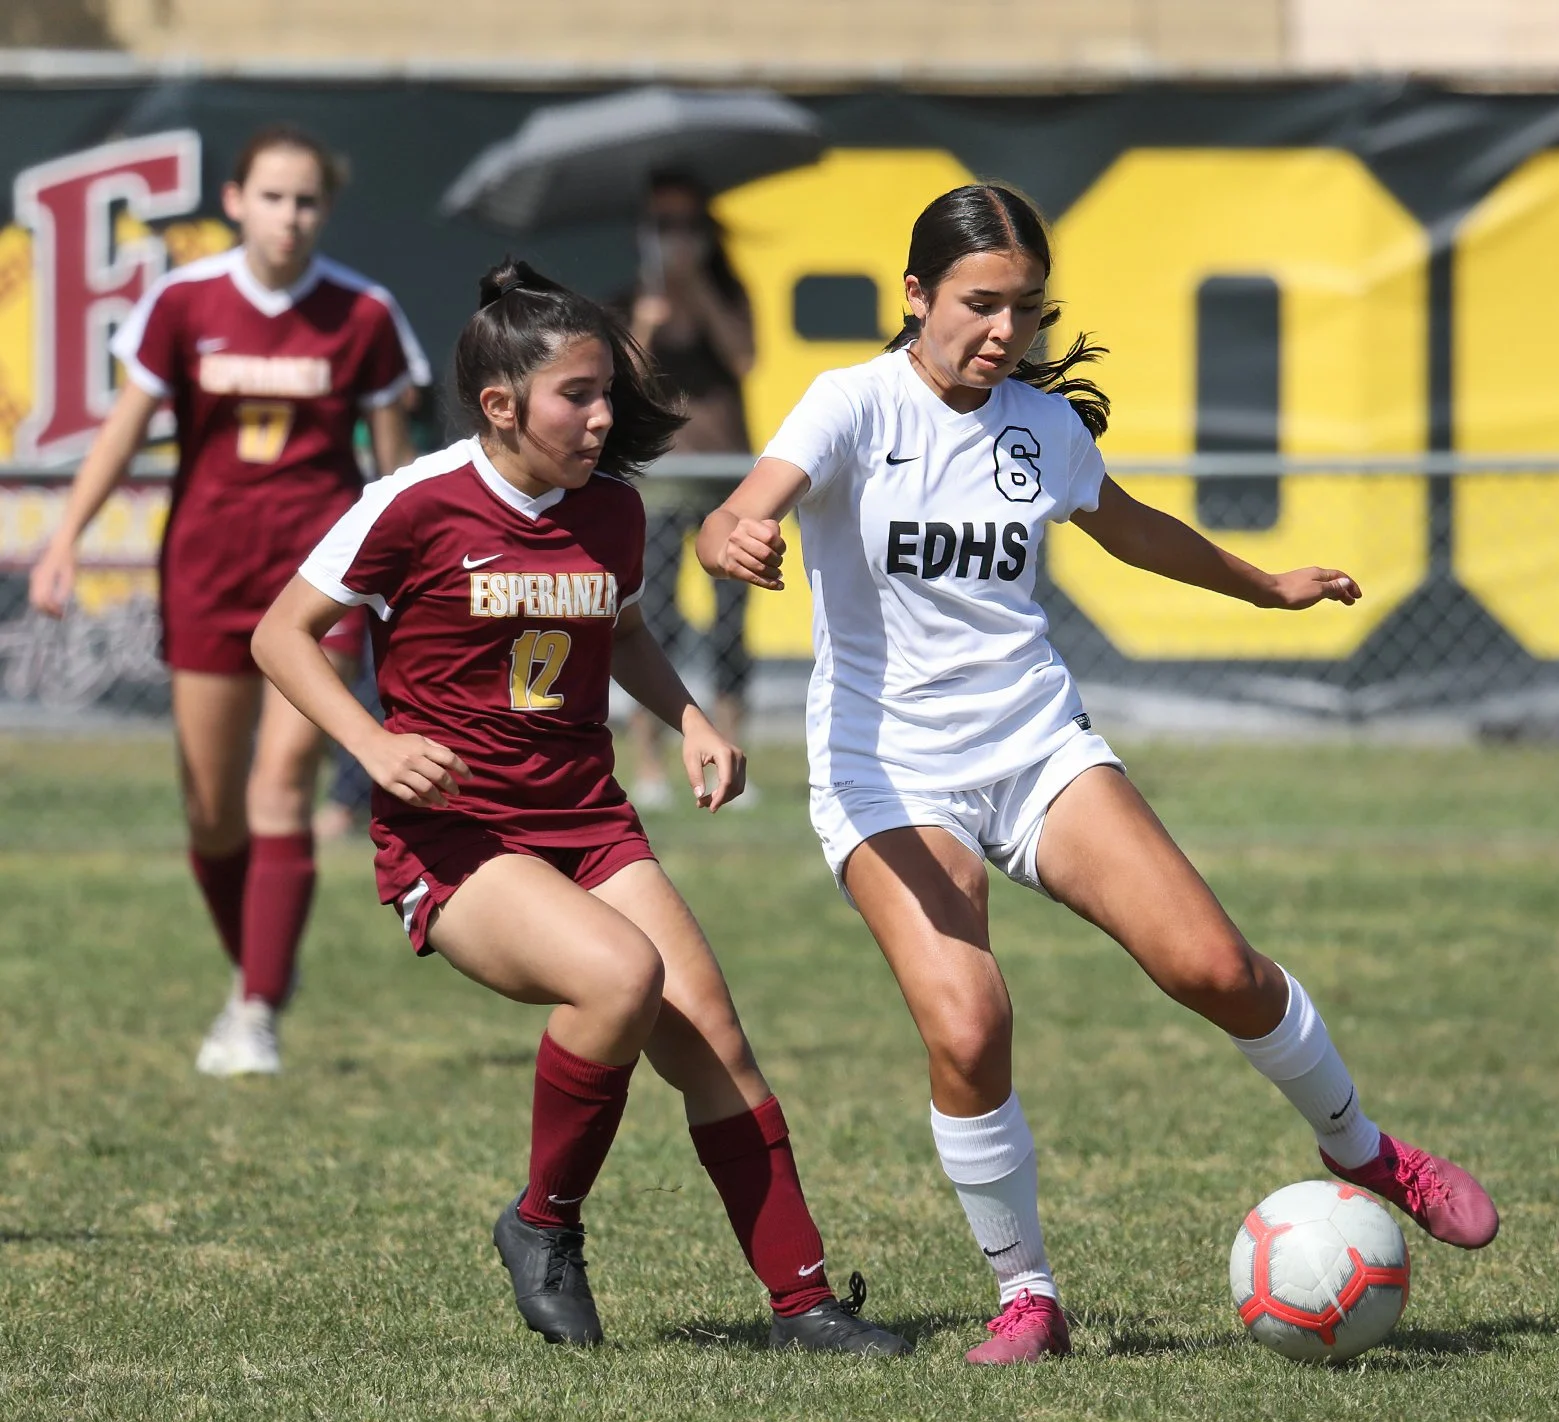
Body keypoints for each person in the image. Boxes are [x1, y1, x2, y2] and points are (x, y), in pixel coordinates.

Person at [697, 183, 1499, 1366]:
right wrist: (732, 535)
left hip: (1034, 746)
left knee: (1215, 967)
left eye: (1024, 309)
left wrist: (1265, 584)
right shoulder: (852, 405)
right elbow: (743, 507)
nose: (1002, 333)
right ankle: (1028, 1296)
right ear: (914, 295)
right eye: (978, 305)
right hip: (888, 773)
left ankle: (1363, 1146)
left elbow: (1130, 529)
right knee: (969, 1025)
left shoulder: (1040, 429)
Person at [251, 259, 910, 1355]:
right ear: (501, 407)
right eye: (579, 397)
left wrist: (692, 718)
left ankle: (805, 1305)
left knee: (714, 1043)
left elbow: (628, 629)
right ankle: (542, 1225)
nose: (605, 417)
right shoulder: (413, 504)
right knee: (620, 977)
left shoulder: (611, 509)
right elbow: (280, 634)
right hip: (455, 838)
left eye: (609, 391)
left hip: (587, 818)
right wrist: (371, 745)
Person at [27, 124, 427, 1077]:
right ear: (236, 202)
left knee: (279, 784)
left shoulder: (363, 313)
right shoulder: (181, 302)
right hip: (205, 568)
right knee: (210, 809)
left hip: (314, 581)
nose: (290, 217)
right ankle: (256, 969)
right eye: (273, 197)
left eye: (307, 201)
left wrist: (404, 578)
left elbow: (392, 466)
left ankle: (253, 1008)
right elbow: (126, 431)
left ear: (323, 212)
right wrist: (64, 538)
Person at [615, 171, 758, 808]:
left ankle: (733, 748)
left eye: (686, 226)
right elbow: (621, 384)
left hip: (726, 475)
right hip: (660, 479)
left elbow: (745, 357)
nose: (675, 239)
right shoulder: (629, 299)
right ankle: (649, 762)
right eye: (661, 226)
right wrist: (646, 321)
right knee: (655, 618)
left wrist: (696, 289)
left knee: (731, 619)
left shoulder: (725, 293)